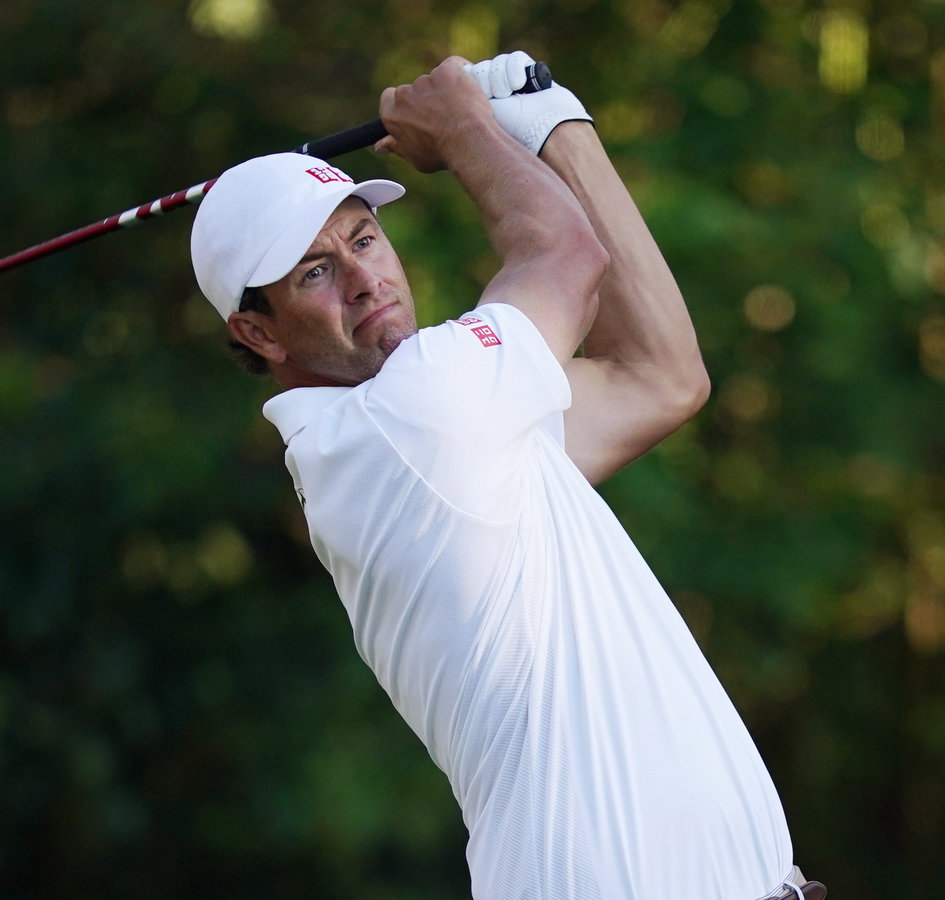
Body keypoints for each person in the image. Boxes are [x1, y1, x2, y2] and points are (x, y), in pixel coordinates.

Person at [189, 52, 826, 900]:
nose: (364, 279)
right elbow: (566, 254)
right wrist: (463, 127)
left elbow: (661, 376)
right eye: (314, 271)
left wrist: (553, 123)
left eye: (364, 237)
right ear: (259, 335)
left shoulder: (440, 426)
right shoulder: (412, 418)